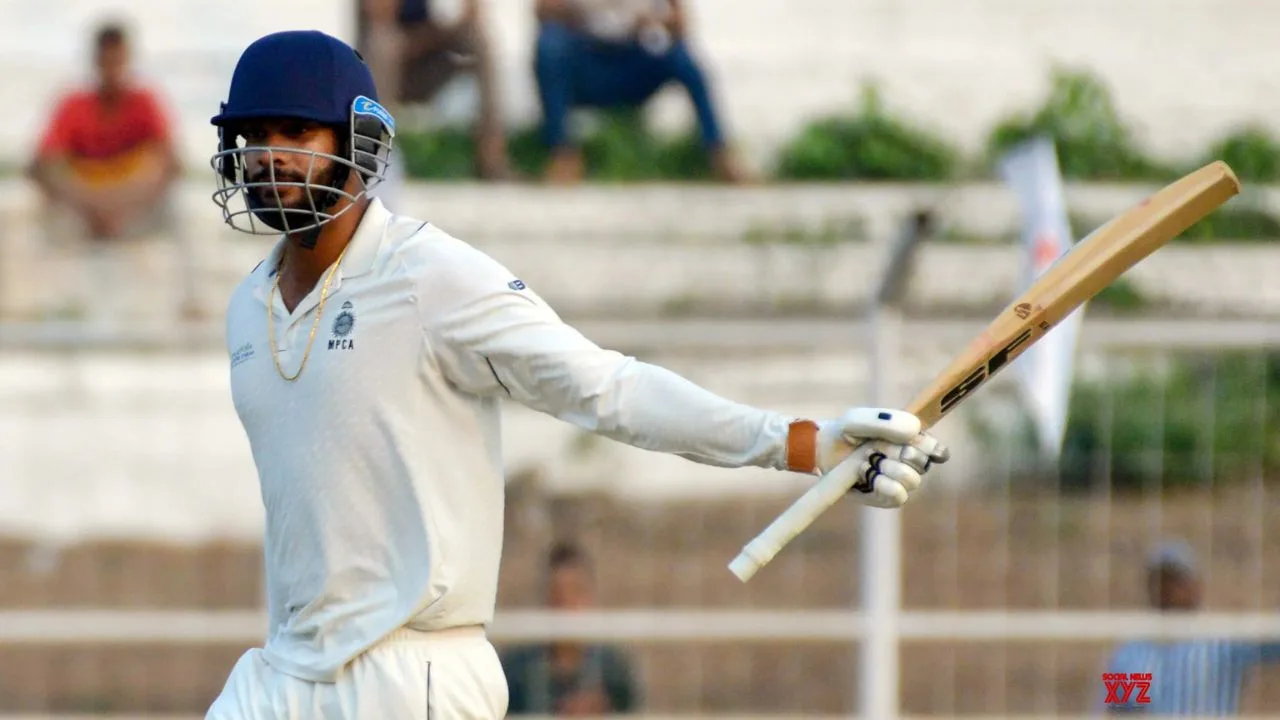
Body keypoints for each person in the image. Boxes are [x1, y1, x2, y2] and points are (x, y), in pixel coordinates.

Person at [204, 29, 950, 720]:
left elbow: (608, 388)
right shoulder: (249, 307)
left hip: (412, 673)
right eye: (255, 137)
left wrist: (801, 442)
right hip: (283, 673)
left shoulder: (430, 277)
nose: (270, 157)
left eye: (296, 133)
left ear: (358, 139)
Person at [27, 21, 190, 323]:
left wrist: (124, 205)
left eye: (118, 61)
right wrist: (93, 206)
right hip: (81, 216)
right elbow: (41, 165)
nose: (113, 70)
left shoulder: (145, 102)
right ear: (95, 61)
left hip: (132, 212)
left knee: (184, 211)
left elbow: (172, 164)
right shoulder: (74, 104)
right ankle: (33, 310)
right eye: (106, 61)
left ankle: (192, 304)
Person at [532, 0, 749, 184]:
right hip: (585, 58)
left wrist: (649, 21)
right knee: (550, 45)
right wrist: (583, 16)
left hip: (633, 59)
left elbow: (681, 23)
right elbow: (541, 9)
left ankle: (719, 153)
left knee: (680, 56)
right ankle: (562, 154)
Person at [1099, 539, 1280, 715]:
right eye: (1159, 581)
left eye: (1175, 581)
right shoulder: (1132, 653)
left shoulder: (1222, 642)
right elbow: (1117, 709)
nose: (1166, 589)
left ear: (1196, 585)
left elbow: (1272, 642)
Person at [356, 0, 513, 181]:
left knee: (479, 38)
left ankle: (492, 157)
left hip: (433, 55)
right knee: (385, 43)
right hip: (390, 60)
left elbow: (471, 12)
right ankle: (376, 155)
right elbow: (380, 14)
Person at [501, 542, 641, 715]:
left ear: (591, 598)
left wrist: (603, 710)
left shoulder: (613, 670)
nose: (566, 603)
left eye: (576, 591)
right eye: (556, 592)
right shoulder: (516, 671)